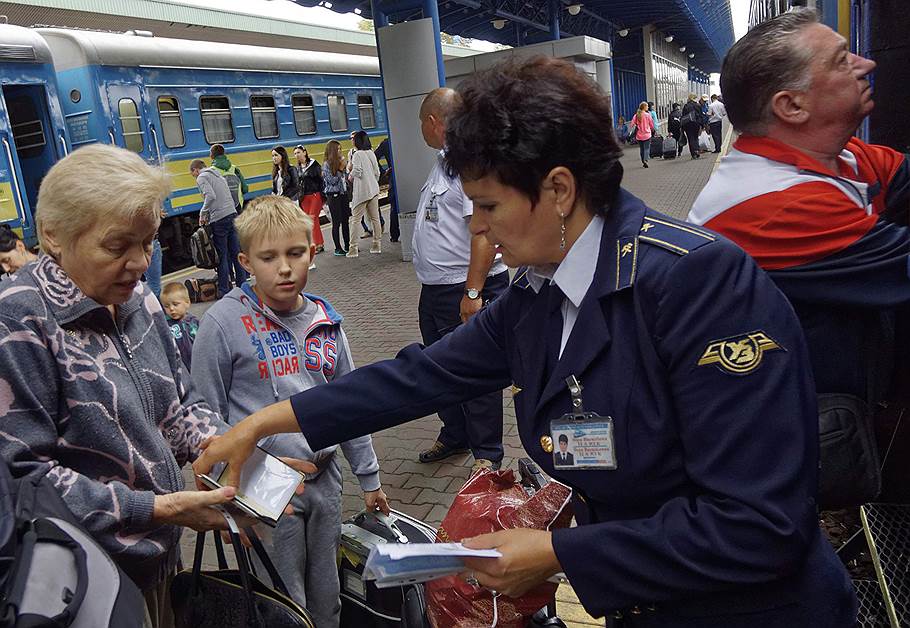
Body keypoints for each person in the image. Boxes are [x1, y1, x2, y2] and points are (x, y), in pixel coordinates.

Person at [195, 57, 858, 627]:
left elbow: (757, 526)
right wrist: (262, 424)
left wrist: (557, 555)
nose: (478, 228)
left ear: (559, 190)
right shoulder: (537, 297)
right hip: (649, 602)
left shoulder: (699, 286)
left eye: (488, 206)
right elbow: (419, 377)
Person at [0, 144, 254, 628]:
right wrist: (156, 508)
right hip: (80, 580)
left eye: (149, 242)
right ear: (53, 235)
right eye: (118, 247)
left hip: (158, 557)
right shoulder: (17, 321)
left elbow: (177, 404)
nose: (140, 264)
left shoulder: (138, 299)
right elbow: (22, 479)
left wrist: (230, 449)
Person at [688, 9, 910, 500]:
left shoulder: (839, 157)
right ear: (791, 106)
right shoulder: (773, 204)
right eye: (840, 60)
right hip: (787, 445)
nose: (866, 64)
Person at [191, 195, 389, 627]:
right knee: (282, 599)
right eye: (268, 257)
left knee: (327, 593)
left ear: (312, 252)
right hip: (266, 494)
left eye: (295, 253)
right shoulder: (222, 323)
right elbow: (203, 414)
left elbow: (350, 404)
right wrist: (237, 493)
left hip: (325, 479)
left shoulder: (325, 320)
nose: (284, 267)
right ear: (245, 261)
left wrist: (369, 477)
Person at [411, 87, 509, 473]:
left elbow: (483, 232)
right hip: (437, 290)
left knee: (474, 372)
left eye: (421, 123)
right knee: (439, 369)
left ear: (434, 122)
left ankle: (487, 457)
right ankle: (456, 434)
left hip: (465, 289)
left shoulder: (470, 162)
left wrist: (473, 291)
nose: (420, 129)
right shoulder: (444, 162)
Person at [190, 159, 248, 297]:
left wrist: (203, 212)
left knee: (222, 256)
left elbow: (210, 196)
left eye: (192, 174)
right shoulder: (216, 173)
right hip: (231, 214)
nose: (193, 177)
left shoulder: (202, 177)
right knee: (235, 253)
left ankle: (224, 290)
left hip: (219, 219)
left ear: (196, 170)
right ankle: (243, 286)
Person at [347, 131, 382, 257]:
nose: (352, 141)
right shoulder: (371, 153)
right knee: (375, 219)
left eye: (354, 139)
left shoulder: (357, 154)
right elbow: (377, 172)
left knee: (355, 220)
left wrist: (350, 176)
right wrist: (373, 183)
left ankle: (353, 249)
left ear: (357, 141)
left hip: (362, 192)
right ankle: (377, 245)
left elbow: (357, 171)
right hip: (374, 190)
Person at [294, 145, 325, 254]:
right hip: (304, 197)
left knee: (313, 219)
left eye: (298, 152)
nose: (297, 155)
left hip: (315, 195)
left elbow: (321, 180)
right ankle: (317, 243)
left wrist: (322, 194)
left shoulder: (314, 165)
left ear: (304, 152)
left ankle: (318, 244)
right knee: (310, 221)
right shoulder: (297, 168)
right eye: (295, 153)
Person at [161, 281, 199, 371]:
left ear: (187, 302)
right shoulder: (166, 326)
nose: (171, 309)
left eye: (175, 304)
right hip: (180, 368)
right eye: (166, 306)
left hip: (197, 364)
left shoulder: (194, 321)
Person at [323, 139, 351, 256]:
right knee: (336, 222)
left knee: (346, 221)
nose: (340, 151)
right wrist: (340, 169)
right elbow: (331, 181)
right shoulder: (326, 165)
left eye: (341, 149)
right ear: (332, 151)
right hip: (333, 195)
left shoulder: (342, 161)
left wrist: (345, 169)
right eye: (338, 149)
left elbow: (344, 179)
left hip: (343, 194)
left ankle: (348, 245)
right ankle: (337, 248)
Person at [375, 137, 400, 243]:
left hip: (393, 176)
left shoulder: (386, 143)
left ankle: (394, 234)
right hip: (405, 173)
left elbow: (374, 156)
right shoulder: (402, 139)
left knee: (394, 206)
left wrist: (383, 171)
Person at [210, 143, 248, 213]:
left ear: (211, 156)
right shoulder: (234, 168)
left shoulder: (211, 171)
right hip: (237, 206)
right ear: (224, 153)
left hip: (222, 210)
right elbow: (245, 189)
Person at [631, 101, 655, 168]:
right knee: (647, 148)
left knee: (642, 149)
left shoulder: (636, 115)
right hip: (647, 135)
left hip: (639, 135)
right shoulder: (647, 115)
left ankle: (643, 161)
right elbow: (651, 124)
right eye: (647, 106)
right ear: (644, 107)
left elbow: (631, 124)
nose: (648, 107)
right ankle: (646, 160)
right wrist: (653, 129)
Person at [681, 94, 703, 159]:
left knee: (691, 139)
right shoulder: (698, 105)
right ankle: (697, 151)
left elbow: (683, 116)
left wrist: (683, 127)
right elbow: (701, 116)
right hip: (696, 124)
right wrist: (701, 125)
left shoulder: (686, 106)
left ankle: (694, 154)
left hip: (688, 124)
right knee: (696, 137)